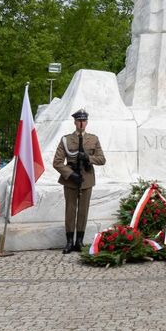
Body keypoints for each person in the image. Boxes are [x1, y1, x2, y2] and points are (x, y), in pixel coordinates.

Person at [52, 109, 106, 254]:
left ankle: (79, 241)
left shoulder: (93, 139)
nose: (81, 123)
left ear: (86, 122)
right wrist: (70, 174)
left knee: (83, 211)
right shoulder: (66, 139)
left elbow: (102, 159)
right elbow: (57, 162)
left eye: (83, 120)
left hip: (87, 180)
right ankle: (69, 241)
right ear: (75, 122)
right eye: (79, 120)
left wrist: (88, 158)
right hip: (70, 180)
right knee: (70, 211)